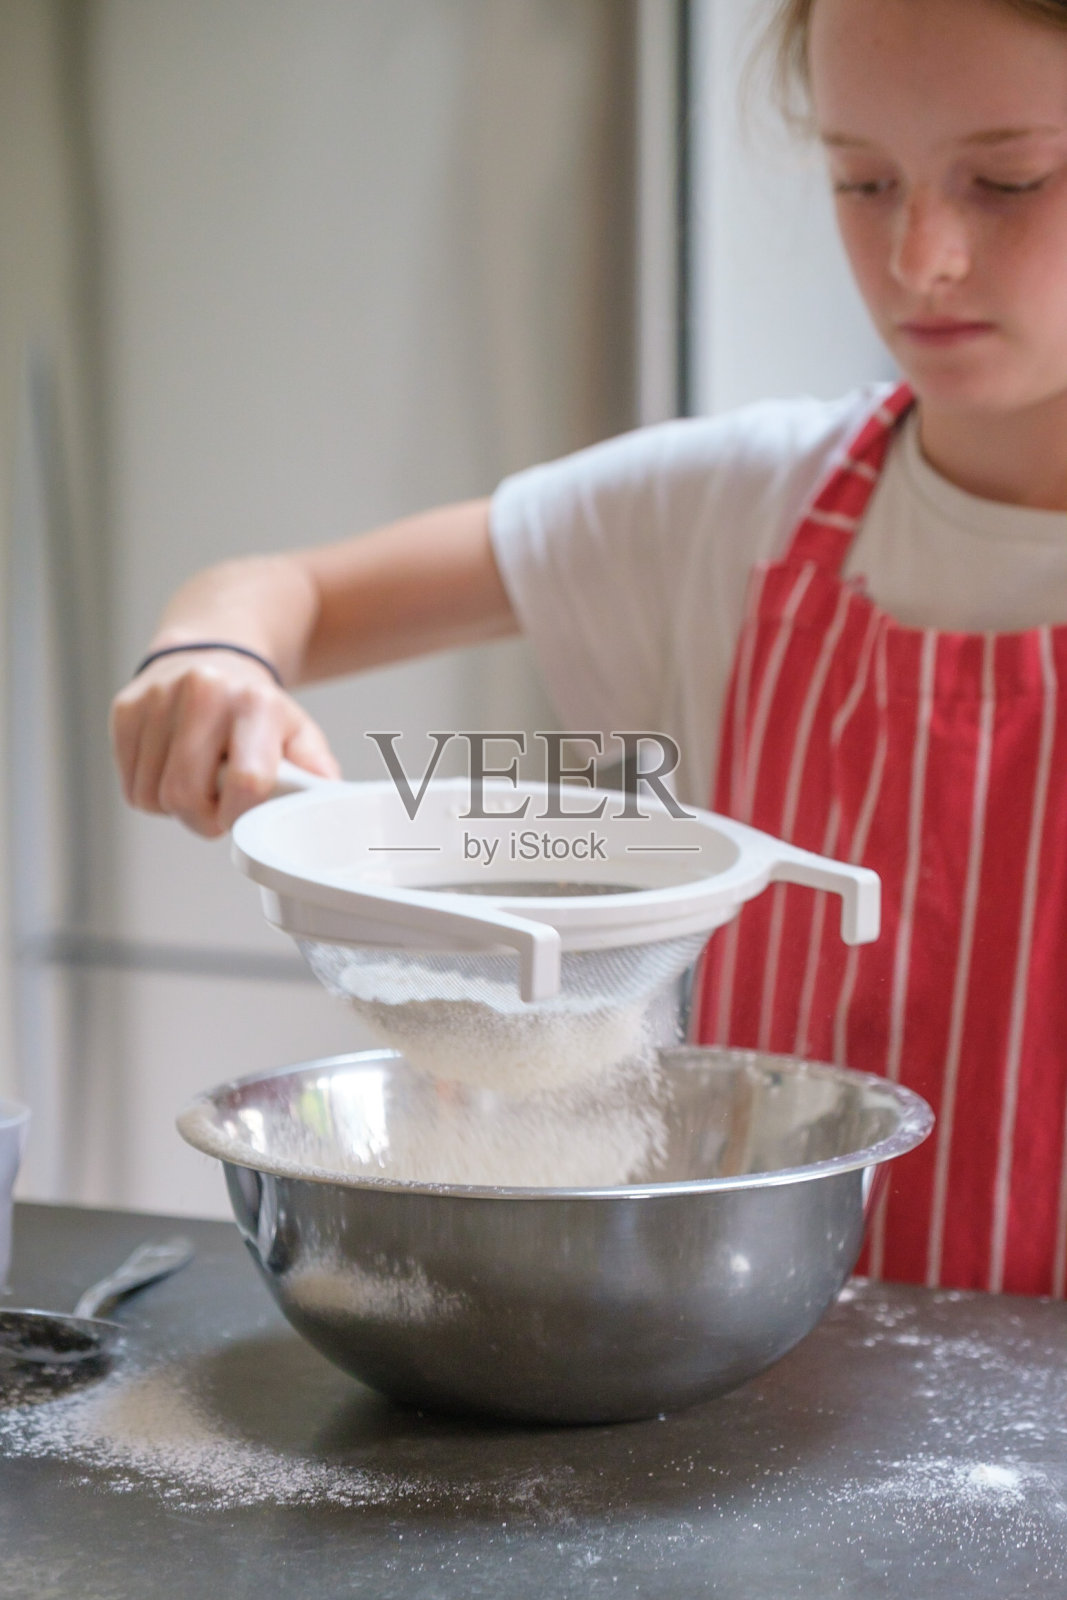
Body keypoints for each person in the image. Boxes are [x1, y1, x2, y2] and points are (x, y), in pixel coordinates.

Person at [112, 0, 1067, 1298]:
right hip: (750, 1381)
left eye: (1008, 181)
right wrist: (209, 659)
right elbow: (275, 591)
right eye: (863, 179)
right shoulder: (738, 511)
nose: (922, 257)